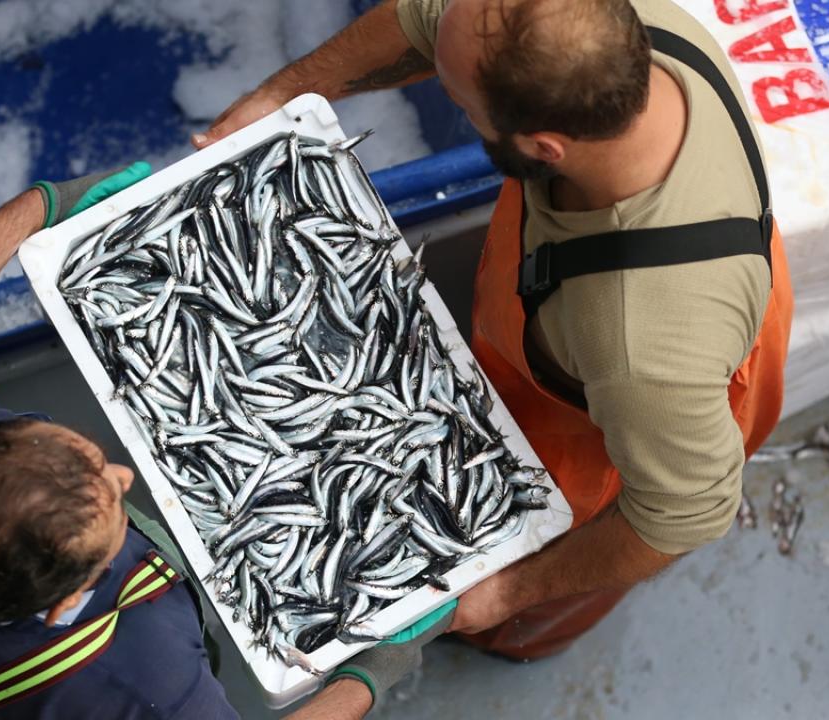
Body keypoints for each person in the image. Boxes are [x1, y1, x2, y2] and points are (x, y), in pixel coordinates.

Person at [197, 0, 793, 660]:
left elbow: (685, 514)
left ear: (543, 148)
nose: (450, 97)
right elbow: (430, 18)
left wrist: (506, 593)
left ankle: (515, 640)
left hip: (633, 422)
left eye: (460, 103)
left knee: (521, 595)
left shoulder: (637, 343)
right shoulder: (614, 32)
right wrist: (283, 94)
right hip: (638, 310)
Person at [0, 164, 452, 718]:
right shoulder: (145, 677)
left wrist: (43, 206)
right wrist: (367, 676)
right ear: (67, 605)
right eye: (114, 513)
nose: (125, 476)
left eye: (89, 457)